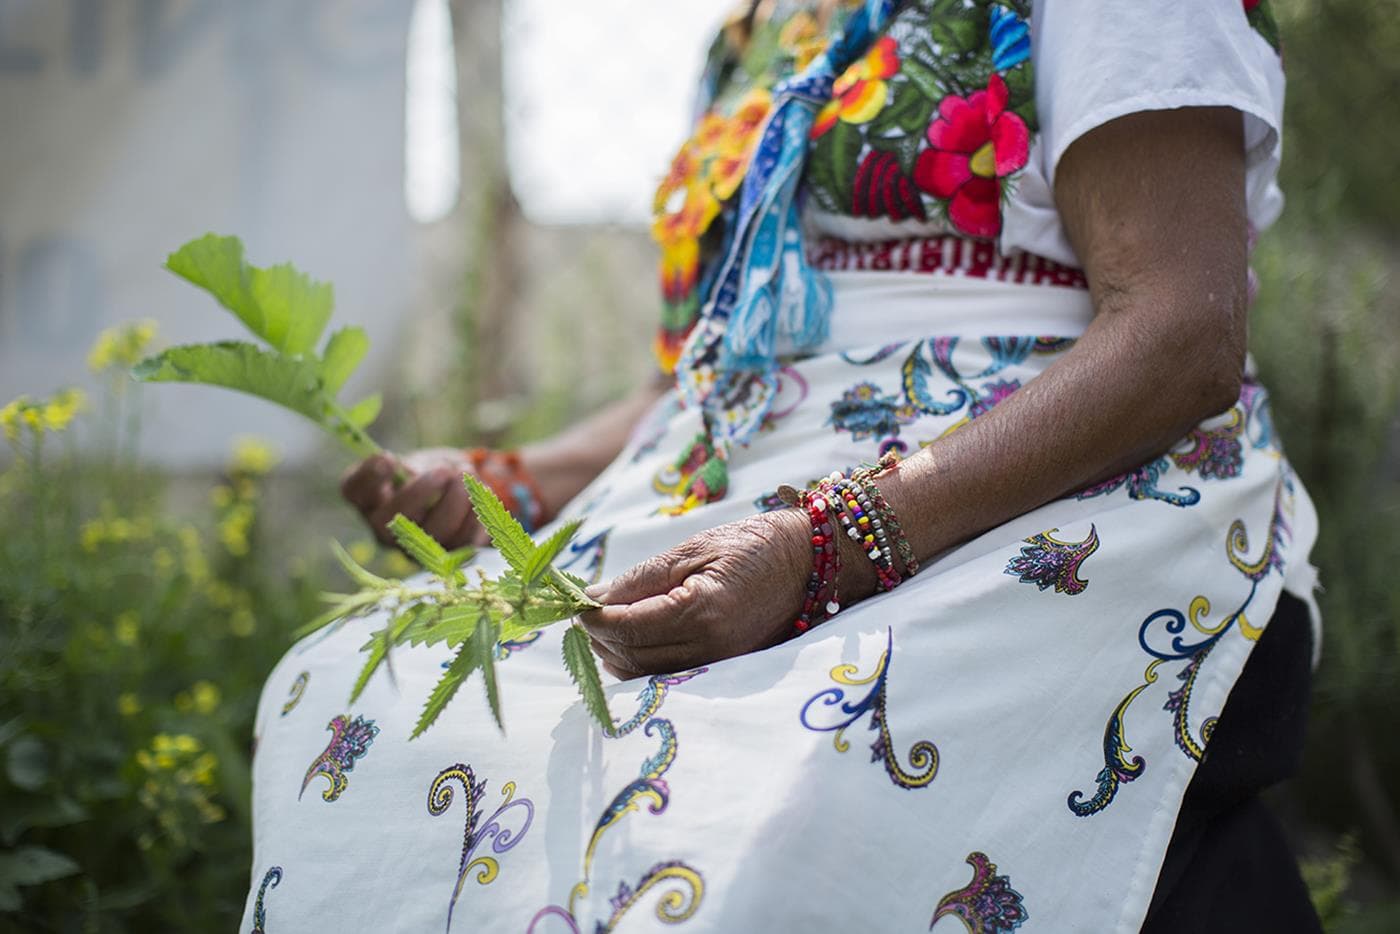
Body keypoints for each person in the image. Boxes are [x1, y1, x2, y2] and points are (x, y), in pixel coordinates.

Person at [242, 1, 1323, 930]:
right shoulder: (761, 30)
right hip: (757, 491)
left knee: (727, 783)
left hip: (1026, 484)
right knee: (346, 684)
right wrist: (513, 480)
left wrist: (829, 545)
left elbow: (1178, 330)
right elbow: (721, 374)